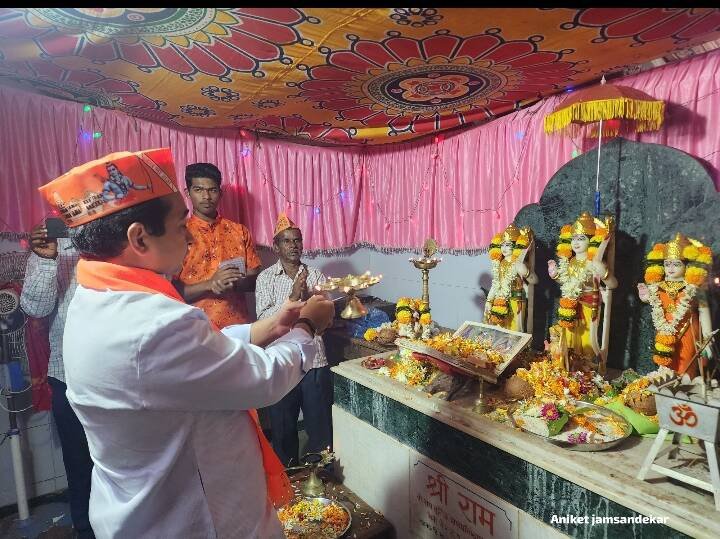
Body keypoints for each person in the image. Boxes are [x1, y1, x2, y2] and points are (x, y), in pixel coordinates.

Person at [39, 148, 335, 538]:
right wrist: (308, 326)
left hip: (142, 510)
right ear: (139, 238)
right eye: (181, 225)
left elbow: (193, 355)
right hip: (193, 520)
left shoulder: (97, 298)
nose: (190, 235)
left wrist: (267, 328)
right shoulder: (152, 324)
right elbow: (263, 379)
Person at [20, 223, 95, 539]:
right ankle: (86, 529)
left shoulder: (119, 242)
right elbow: (34, 307)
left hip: (119, 374)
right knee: (80, 464)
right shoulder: (54, 249)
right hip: (68, 375)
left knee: (129, 459)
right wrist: (46, 259)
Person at [256, 213, 333, 466]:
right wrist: (292, 298)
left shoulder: (316, 275)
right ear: (276, 247)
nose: (293, 245)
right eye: (287, 241)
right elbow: (263, 319)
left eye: (297, 240)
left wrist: (310, 300)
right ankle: (287, 477)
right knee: (283, 427)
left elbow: (325, 319)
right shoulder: (265, 278)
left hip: (314, 362)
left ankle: (322, 475)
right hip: (281, 361)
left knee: (320, 427)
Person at [174, 162, 261, 329]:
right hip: (194, 329)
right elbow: (170, 291)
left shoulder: (239, 231)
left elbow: (256, 281)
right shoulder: (178, 234)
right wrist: (210, 284)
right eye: (198, 190)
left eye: (212, 190)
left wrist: (235, 283)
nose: (206, 197)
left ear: (220, 194)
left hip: (238, 327)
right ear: (187, 192)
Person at [638, 233, 714, 378]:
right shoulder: (658, 286)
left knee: (686, 365)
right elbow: (653, 301)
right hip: (664, 333)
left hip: (688, 331)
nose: (670, 268)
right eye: (667, 264)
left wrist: (708, 338)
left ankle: (684, 391)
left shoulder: (695, 288)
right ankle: (666, 388)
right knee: (666, 367)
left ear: (686, 265)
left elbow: (704, 311)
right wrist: (645, 297)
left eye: (676, 264)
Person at [548, 212, 616, 362]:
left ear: (591, 241)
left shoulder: (595, 262)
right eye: (574, 238)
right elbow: (567, 282)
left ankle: (586, 366)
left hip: (588, 305)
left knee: (586, 340)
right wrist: (556, 275)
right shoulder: (570, 261)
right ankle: (570, 363)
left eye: (581, 238)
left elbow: (613, 284)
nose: (576, 242)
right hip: (570, 304)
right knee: (569, 336)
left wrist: (603, 272)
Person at [484, 223, 537, 332]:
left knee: (515, 331)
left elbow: (534, 280)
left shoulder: (519, 263)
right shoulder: (499, 263)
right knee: (500, 329)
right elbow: (496, 283)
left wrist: (525, 272)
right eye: (502, 245)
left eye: (508, 245)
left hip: (516, 300)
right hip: (500, 299)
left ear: (515, 246)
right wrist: (489, 301)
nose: (504, 248)